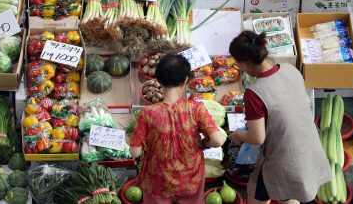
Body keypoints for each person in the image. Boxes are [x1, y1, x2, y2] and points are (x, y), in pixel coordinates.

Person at [228, 31, 332, 204]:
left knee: (258, 194)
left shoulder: (255, 93)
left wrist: (238, 135)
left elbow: (257, 137)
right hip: (308, 148)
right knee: (289, 193)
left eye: (237, 63)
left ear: (244, 63)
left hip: (282, 158)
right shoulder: (290, 69)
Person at [130, 53, 225, 204]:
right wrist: (205, 144)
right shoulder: (196, 108)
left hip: (157, 179)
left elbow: (135, 152)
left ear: (158, 79)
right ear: (185, 79)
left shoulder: (147, 113)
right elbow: (218, 140)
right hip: (190, 177)